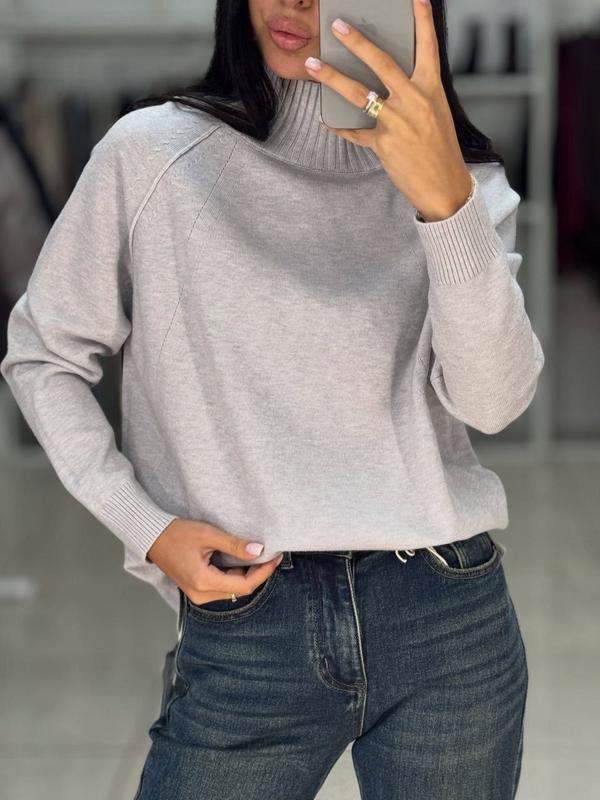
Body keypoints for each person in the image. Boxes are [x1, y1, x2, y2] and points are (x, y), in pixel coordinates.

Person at [0, 0, 544, 797]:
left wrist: (444, 205)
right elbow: (42, 354)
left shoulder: (466, 185)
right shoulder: (151, 154)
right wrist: (146, 527)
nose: (295, 2)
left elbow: (492, 402)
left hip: (446, 613)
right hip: (248, 622)